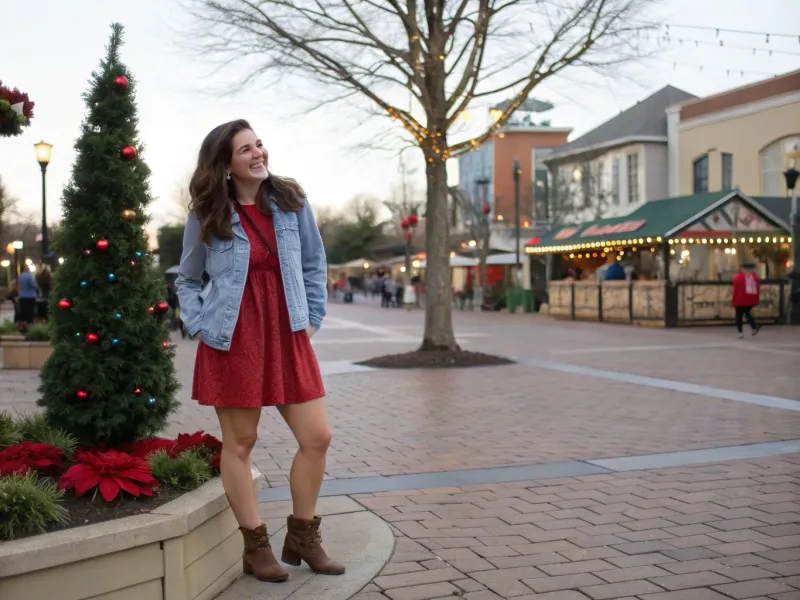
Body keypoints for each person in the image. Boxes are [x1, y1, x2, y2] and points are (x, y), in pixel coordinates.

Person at [176, 119, 342, 584]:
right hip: (233, 335)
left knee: (317, 436)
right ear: (226, 165)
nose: (258, 153)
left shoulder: (290, 201)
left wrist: (312, 318)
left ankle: (303, 537)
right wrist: (198, 323)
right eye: (245, 149)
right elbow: (187, 277)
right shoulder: (207, 213)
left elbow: (313, 262)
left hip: (287, 330)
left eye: (260, 144)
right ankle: (255, 546)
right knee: (241, 443)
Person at [732, 262, 761, 338]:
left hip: (739, 300)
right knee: (747, 313)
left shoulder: (738, 278)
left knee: (739, 316)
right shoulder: (754, 277)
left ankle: (740, 332)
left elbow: (735, 290)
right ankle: (754, 326)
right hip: (750, 300)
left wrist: (734, 300)